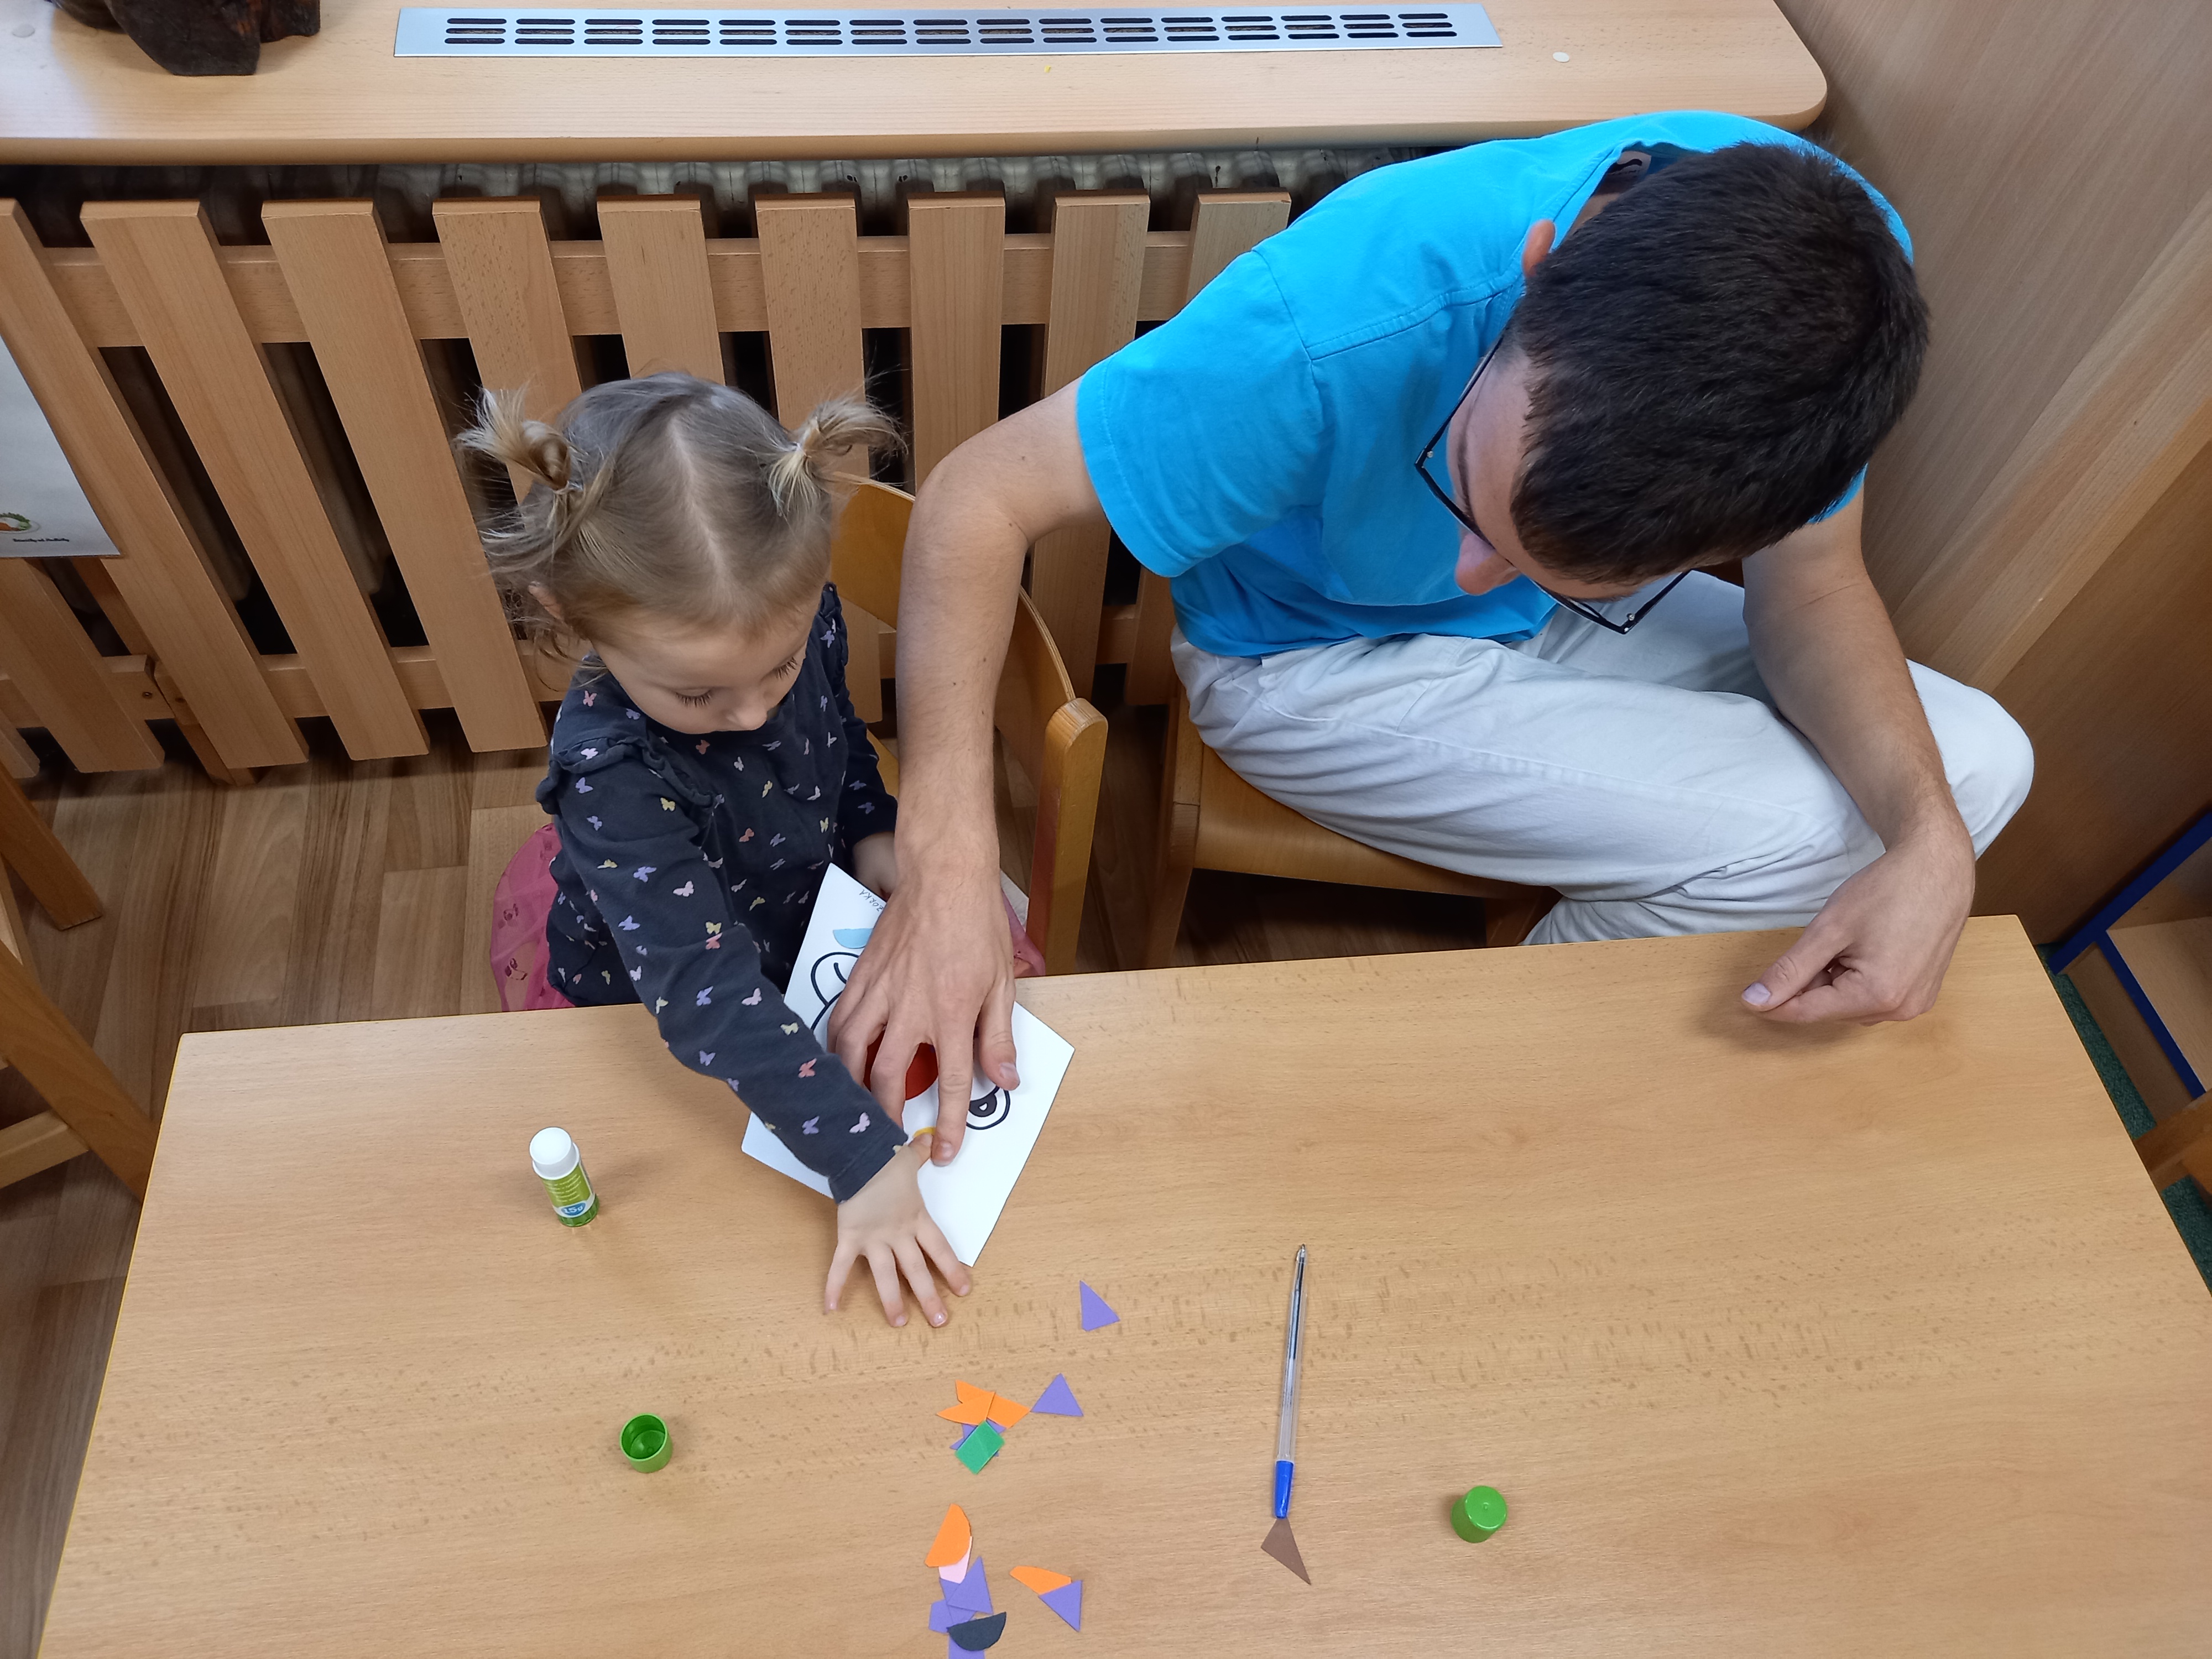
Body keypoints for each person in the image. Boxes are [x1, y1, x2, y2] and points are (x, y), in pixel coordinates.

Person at [829, 111, 2036, 1156]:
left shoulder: (1833, 299)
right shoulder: (1329, 324)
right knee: (1802, 833)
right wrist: (944, 862)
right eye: (1461, 483)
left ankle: (1565, 1040)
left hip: (1550, 634)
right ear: (1536, 270)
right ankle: (1500, 1083)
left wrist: (1932, 841)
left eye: (1534, 552)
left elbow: (1810, 586)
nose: (1466, 571)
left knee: (1980, 767)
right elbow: (976, 497)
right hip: (1304, 660)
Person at [465, 372, 969, 1329]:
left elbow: (838, 733)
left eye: (780, 666)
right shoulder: (611, 773)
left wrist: (871, 824)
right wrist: (863, 1162)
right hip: (655, 986)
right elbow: (704, 997)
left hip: (798, 910)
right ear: (566, 612)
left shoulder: (792, 612)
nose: (753, 712)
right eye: (697, 696)